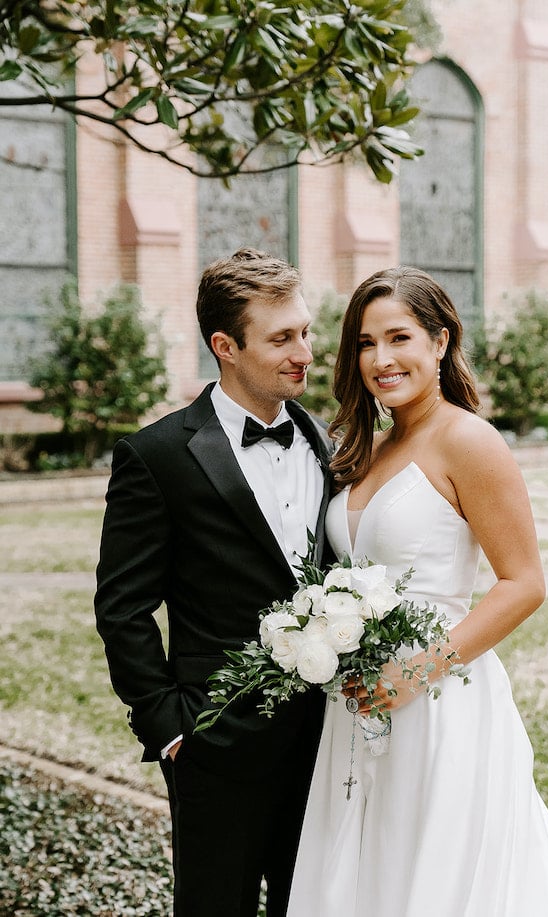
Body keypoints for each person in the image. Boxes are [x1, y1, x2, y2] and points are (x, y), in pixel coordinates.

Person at [286, 266, 548, 917]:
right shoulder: (368, 448)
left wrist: (417, 669)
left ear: (440, 341)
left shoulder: (469, 440)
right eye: (364, 342)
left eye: (399, 337)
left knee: (438, 877)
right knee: (366, 870)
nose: (380, 358)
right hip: (355, 704)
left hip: (440, 700)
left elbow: (525, 583)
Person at [95, 248, 334, 917]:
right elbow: (123, 607)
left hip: (325, 743)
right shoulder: (158, 455)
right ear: (225, 345)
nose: (305, 352)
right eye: (283, 337)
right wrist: (170, 728)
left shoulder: (329, 441)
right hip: (215, 743)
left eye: (306, 331)